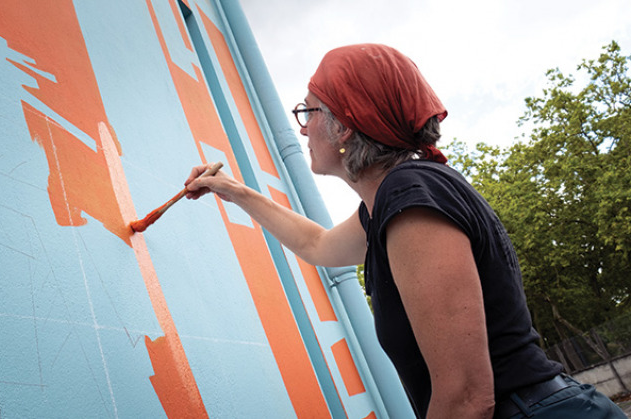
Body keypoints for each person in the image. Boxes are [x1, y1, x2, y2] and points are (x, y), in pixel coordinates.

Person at [184, 44, 625, 419]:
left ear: (346, 124)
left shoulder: (410, 196)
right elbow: (315, 244)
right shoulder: (393, 202)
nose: (302, 126)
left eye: (309, 111)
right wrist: (234, 191)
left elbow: (467, 396)